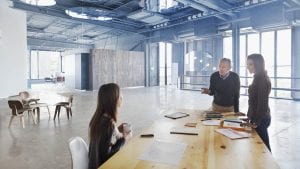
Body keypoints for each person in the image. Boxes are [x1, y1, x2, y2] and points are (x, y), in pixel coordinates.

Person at [88, 83, 132, 169]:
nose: (122, 97)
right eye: (120, 94)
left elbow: (102, 145)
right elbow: (107, 156)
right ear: (113, 100)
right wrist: (124, 139)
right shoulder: (108, 124)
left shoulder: (98, 118)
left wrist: (116, 130)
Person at [246, 54, 272, 151]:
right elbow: (253, 101)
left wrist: (256, 121)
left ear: (258, 64)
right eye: (247, 64)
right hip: (257, 117)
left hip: (261, 118)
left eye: (250, 64)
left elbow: (262, 104)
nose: (248, 67)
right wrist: (249, 116)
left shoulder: (262, 80)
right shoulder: (257, 78)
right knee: (258, 147)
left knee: (264, 148)